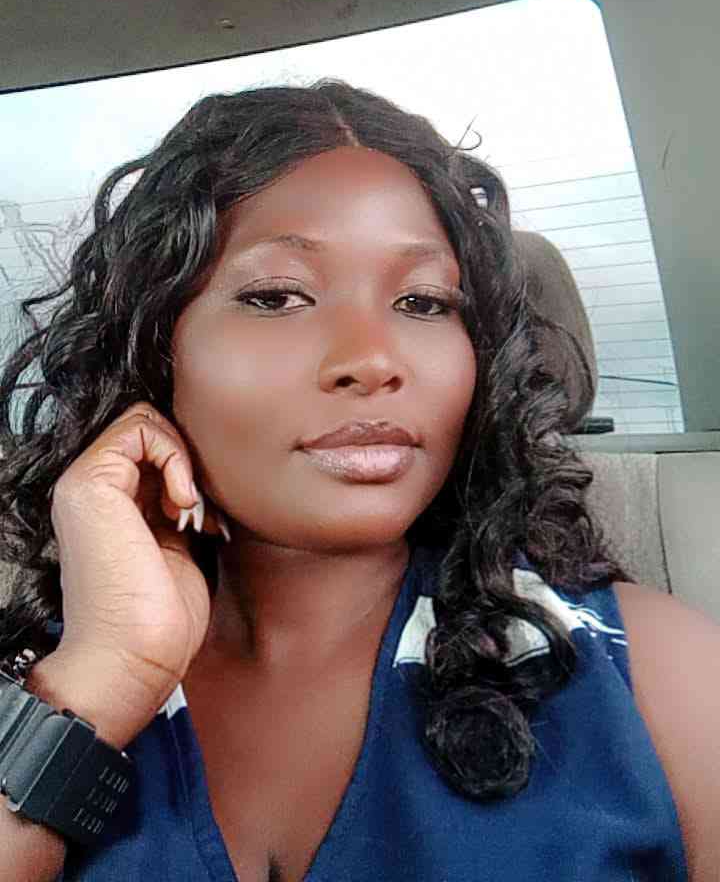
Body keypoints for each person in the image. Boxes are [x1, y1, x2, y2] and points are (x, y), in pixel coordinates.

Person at [0, 79, 690, 881]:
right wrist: (101, 679)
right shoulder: (41, 673)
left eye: (423, 303)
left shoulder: (656, 671)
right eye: (276, 297)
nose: (371, 359)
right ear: (155, 347)